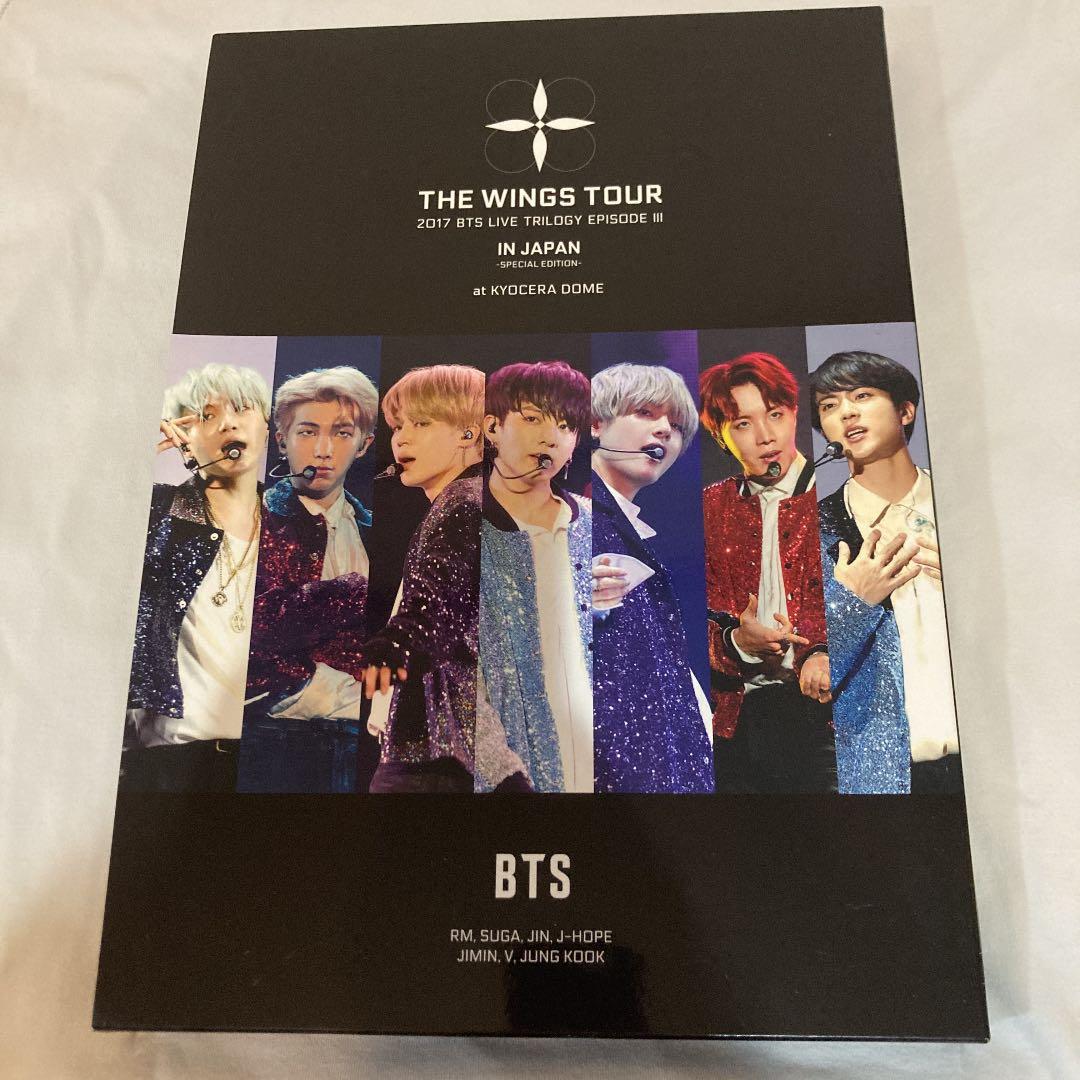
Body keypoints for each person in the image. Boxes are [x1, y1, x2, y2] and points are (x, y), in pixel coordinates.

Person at [811, 350, 961, 794]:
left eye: (862, 395)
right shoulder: (814, 531)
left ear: (905, 411)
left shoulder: (965, 507)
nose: (846, 412)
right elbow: (811, 672)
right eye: (829, 406)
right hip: (887, 776)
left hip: (995, 761)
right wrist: (851, 603)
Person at [121, 362, 270, 792]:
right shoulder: (155, 513)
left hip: (269, 756)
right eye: (206, 416)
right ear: (183, 435)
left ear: (267, 427)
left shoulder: (294, 524)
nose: (227, 423)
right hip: (169, 762)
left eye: (241, 409)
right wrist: (133, 449)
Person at [699, 352, 836, 794]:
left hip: (829, 714)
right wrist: (738, 642)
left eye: (775, 414)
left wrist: (824, 650)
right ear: (720, 436)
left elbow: (873, 606)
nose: (765, 436)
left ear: (794, 413)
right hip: (737, 718)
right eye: (743, 423)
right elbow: (685, 623)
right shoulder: (709, 508)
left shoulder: (837, 493)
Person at [238, 366, 377, 793]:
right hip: (274, 738)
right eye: (307, 432)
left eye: (342, 433)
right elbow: (257, 627)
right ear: (281, 439)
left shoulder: (376, 531)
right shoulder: (251, 517)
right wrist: (352, 592)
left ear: (364, 444)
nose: (323, 450)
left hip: (363, 739)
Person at [360, 364, 485, 794]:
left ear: (469, 433)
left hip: (436, 750)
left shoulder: (463, 503)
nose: (401, 439)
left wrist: (392, 645)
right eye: (398, 426)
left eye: (422, 423)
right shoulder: (468, 500)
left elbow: (435, 601)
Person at [589, 363, 714, 793]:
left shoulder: (625, 524)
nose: (664, 430)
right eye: (645, 413)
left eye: (676, 426)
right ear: (595, 424)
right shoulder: (569, 511)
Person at [476, 360, 593, 794]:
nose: (550, 437)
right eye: (532, 419)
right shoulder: (458, 526)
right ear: (492, 427)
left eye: (565, 425)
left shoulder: (594, 524)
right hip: (507, 765)